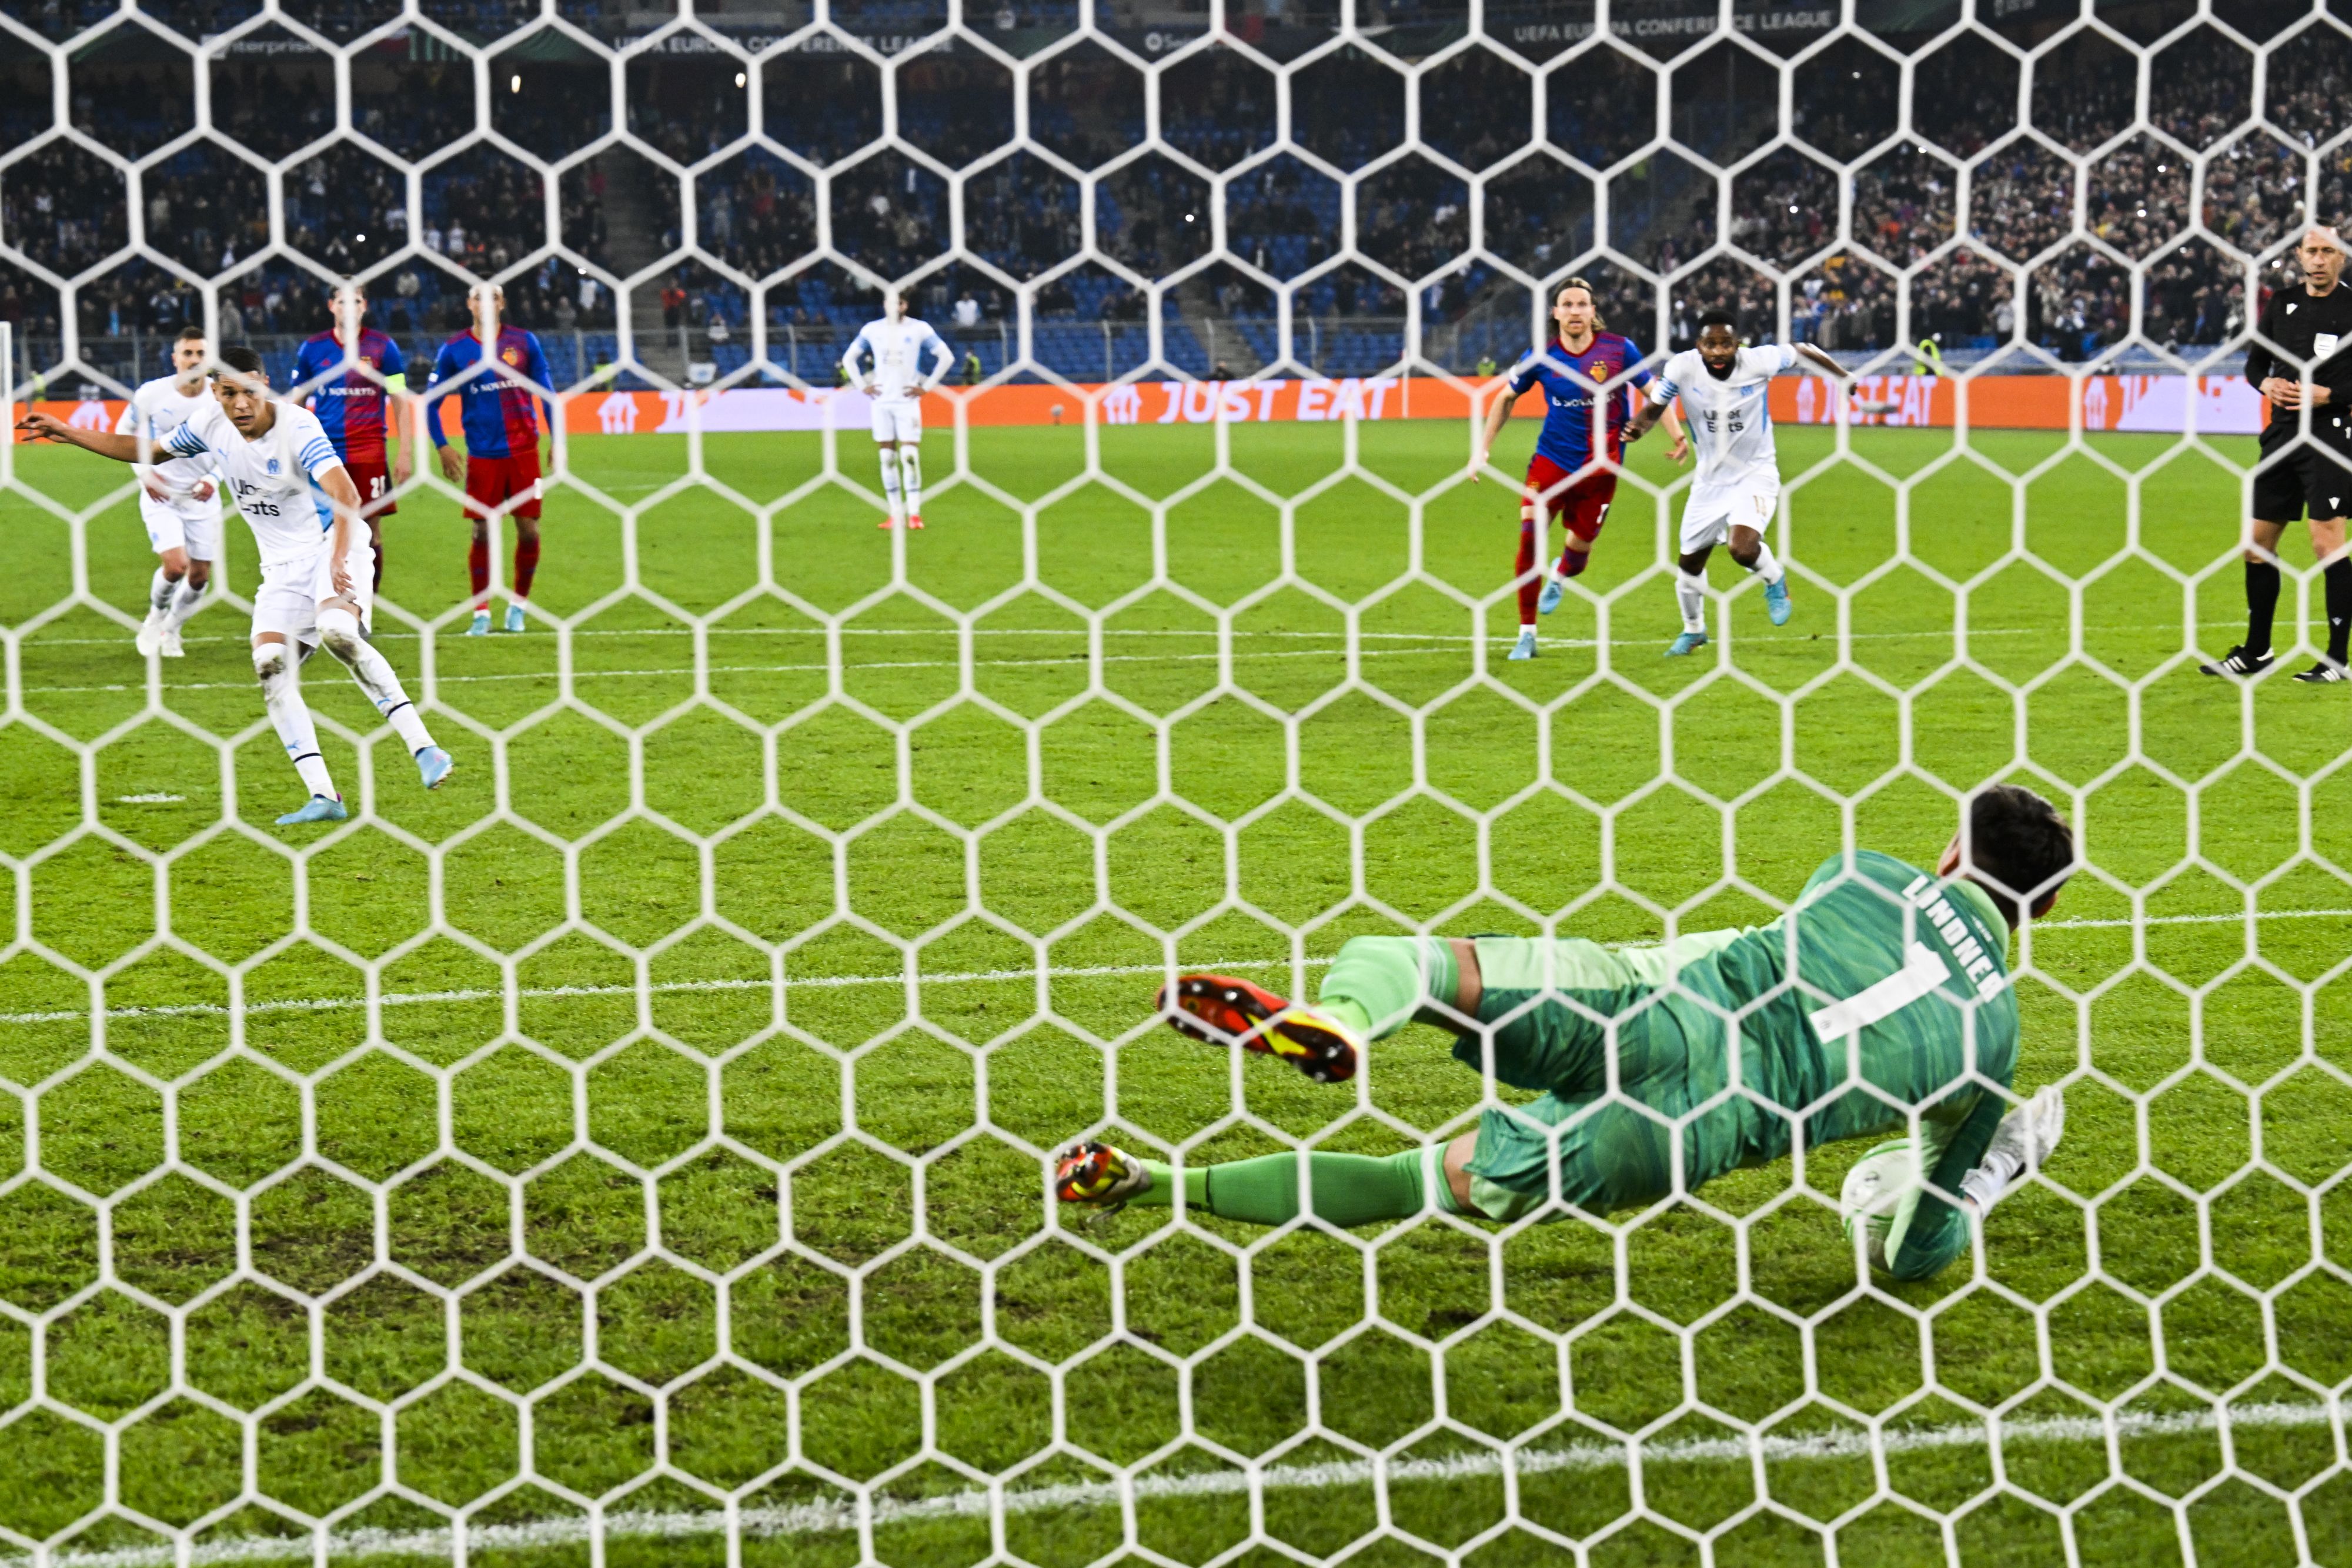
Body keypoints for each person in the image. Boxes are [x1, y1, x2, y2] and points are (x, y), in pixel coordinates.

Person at [1057, 785, 2075, 1282]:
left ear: (1950, 848)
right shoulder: (1994, 1046)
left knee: (1421, 965)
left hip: (1658, 1009)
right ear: (2043, 911)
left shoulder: (1863, 869)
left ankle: (1346, 1015)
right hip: (1691, 1134)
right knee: (1422, 1181)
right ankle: (1155, 1186)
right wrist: (1977, 1175)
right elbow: (1915, 1249)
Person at [19, 347, 453, 823]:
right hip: (281, 567)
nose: (241, 402)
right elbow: (148, 451)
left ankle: (424, 747)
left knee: (337, 632)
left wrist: (335, 560)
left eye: (250, 391)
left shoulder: (298, 426)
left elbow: (346, 494)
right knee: (269, 665)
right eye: (229, 392)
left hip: (335, 545)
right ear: (215, 392)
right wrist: (70, 433)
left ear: (264, 386)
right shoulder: (209, 425)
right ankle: (324, 797)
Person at [1621, 312, 1876, 656]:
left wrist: (1843, 376)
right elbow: (1655, 406)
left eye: (1726, 343)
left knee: (1741, 548)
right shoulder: (1682, 368)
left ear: (1737, 344)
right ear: (1700, 347)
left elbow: (1802, 349)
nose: (1719, 352)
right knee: (1689, 564)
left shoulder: (1759, 361)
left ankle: (1774, 580)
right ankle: (1694, 630)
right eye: (1711, 344)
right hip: (1710, 479)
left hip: (1755, 473)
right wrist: (1638, 427)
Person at [1470, 278, 1686, 661]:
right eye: (1566, 304)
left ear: (1592, 311)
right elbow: (1505, 397)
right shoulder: (1542, 355)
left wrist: (1676, 435)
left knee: (1580, 549)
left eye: (1581, 304)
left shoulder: (1620, 351)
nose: (1574, 311)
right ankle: (1526, 633)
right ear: (1555, 313)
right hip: (1552, 461)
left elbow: (1657, 393)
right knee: (1529, 537)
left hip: (1601, 469)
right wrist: (1482, 450)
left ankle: (1561, 575)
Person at [2204, 225, 2352, 683]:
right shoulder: (2282, 302)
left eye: (2329, 251)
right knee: (2256, 546)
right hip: (2282, 434)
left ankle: (2336, 660)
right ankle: (2257, 651)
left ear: (2341, 258)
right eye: (2313, 251)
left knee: (2326, 542)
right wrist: (2265, 383)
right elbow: (2255, 362)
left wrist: (2328, 395)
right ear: (2300, 255)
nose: (2320, 259)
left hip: (2330, 435)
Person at [424, 284, 556, 635]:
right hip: (483, 455)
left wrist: (557, 438)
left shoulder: (524, 343)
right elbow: (431, 403)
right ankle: (481, 613)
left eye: (492, 296)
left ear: (501, 303)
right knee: (482, 532)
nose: (485, 303)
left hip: (524, 451)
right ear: (469, 303)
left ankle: (518, 607)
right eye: (478, 297)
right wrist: (442, 445)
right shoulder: (455, 350)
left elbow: (547, 392)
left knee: (528, 531)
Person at [292, 280, 411, 594]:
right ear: (332, 306)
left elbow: (400, 399)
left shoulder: (384, 348)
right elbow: (297, 402)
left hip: (369, 451)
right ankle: (322, 598)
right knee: (320, 530)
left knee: (371, 533)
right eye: (342, 302)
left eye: (356, 301)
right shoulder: (312, 349)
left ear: (364, 306)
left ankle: (365, 604)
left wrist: (406, 451)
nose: (349, 307)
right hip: (324, 453)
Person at [118, 325, 223, 657]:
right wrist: (145, 476)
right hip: (161, 494)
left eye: (201, 354)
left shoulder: (221, 395)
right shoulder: (152, 394)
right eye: (188, 353)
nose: (194, 359)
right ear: (175, 358)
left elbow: (236, 444)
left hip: (202, 494)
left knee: (199, 578)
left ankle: (172, 630)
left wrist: (214, 479)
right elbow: (125, 431)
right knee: (176, 566)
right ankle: (155, 617)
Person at [841, 292, 953, 530]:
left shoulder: (920, 329)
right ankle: (895, 514)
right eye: (891, 302)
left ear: (906, 305)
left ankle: (915, 514)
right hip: (881, 402)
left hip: (907, 402)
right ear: (885, 304)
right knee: (887, 458)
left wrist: (926, 387)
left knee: (909, 457)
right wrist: (862, 386)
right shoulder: (872, 330)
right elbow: (849, 359)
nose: (895, 307)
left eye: (900, 303)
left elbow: (946, 357)